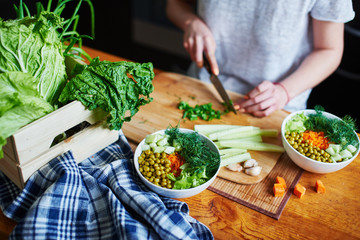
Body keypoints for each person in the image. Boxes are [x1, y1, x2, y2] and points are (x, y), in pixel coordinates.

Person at [166, 0, 355, 117]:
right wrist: (190, 22)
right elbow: (175, 4)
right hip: (200, 88)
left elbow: (329, 50)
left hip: (277, 108)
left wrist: (283, 92)